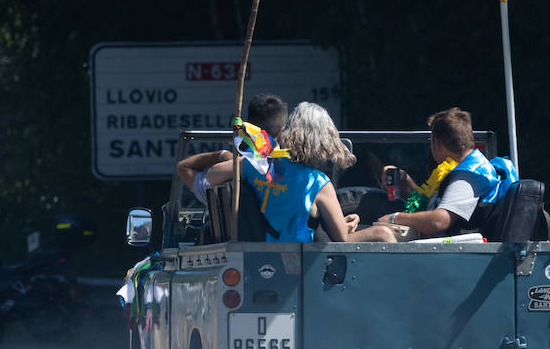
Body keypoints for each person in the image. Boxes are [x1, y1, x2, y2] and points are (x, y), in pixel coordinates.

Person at [180, 101, 394, 243]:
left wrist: (231, 158)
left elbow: (209, 177)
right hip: (300, 262)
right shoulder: (318, 183)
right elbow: (342, 240)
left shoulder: (256, 165)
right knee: (383, 233)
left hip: (256, 255)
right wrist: (364, 228)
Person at [376, 106, 516, 238]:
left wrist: (395, 218)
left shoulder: (467, 176)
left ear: (437, 143)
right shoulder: (474, 167)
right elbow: (430, 205)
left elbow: (439, 221)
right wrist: (406, 181)